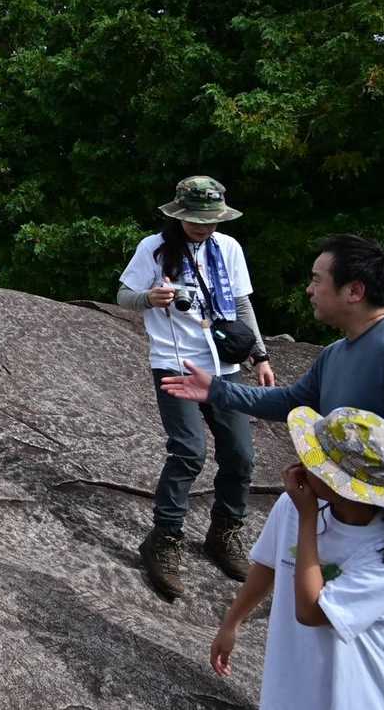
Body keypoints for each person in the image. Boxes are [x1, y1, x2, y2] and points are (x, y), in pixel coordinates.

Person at [164, 234, 384, 709]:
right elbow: (292, 401)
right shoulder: (339, 353)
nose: (309, 289)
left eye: (317, 279)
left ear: (354, 290)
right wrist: (218, 390)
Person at [212, 405, 384, 709]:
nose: (303, 462)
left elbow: (311, 612)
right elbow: (268, 564)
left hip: (366, 693)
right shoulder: (293, 505)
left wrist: (308, 519)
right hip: (296, 682)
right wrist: (231, 623)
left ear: (341, 485)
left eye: (316, 459)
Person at [118, 175, 275, 600]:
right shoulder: (153, 248)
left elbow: (241, 303)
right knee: (189, 450)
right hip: (174, 361)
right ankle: (164, 539)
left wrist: (259, 355)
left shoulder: (229, 248)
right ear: (178, 214)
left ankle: (224, 532)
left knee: (240, 454)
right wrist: (149, 299)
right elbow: (123, 295)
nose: (204, 227)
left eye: (211, 220)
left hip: (223, 364)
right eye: (196, 220)